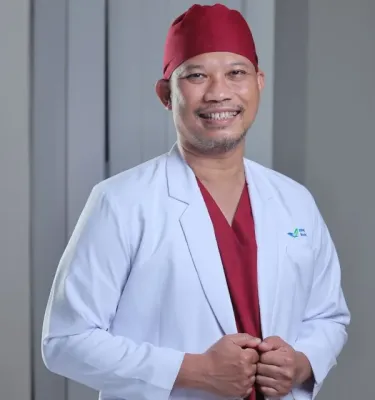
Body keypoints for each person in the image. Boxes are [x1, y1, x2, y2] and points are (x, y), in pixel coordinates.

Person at [42, 3, 350, 400]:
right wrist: (195, 371)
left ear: (259, 83)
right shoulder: (121, 201)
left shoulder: (295, 201)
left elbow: (328, 316)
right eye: (196, 75)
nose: (219, 92)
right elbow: (66, 341)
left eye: (236, 73)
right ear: (166, 94)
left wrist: (302, 362)